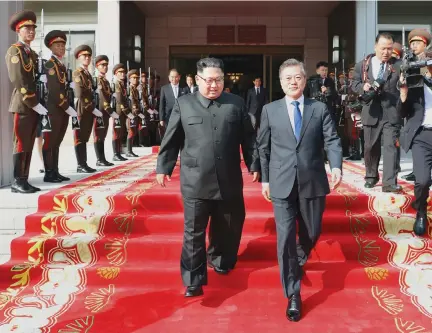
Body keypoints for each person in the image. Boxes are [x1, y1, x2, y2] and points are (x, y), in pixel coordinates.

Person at [156, 57, 260, 298]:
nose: (213, 85)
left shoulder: (236, 104)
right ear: (198, 79)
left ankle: (220, 259)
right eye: (209, 80)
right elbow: (170, 140)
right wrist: (164, 166)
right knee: (193, 231)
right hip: (195, 179)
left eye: (219, 80)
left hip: (228, 177)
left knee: (229, 225)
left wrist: (255, 163)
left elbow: (249, 138)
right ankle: (193, 279)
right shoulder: (184, 104)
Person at [257, 58, 342, 322]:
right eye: (288, 78)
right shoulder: (270, 110)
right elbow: (263, 147)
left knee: (312, 231)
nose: (293, 82)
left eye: (298, 77)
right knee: (285, 239)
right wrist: (265, 179)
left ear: (305, 80)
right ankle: (293, 293)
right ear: (280, 82)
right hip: (281, 182)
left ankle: (298, 260)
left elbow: (332, 138)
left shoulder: (319, 108)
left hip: (312, 179)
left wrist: (336, 166)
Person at [351, 32, 403, 193]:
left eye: (389, 48)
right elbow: (353, 83)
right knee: (370, 147)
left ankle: (389, 182)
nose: (386, 52)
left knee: (390, 147)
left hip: (391, 112)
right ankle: (371, 177)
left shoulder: (398, 65)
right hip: (371, 111)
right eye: (383, 48)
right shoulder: (363, 65)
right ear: (375, 47)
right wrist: (362, 88)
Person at [6, 10, 49, 193]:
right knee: (22, 142)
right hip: (24, 104)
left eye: (33, 28)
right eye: (27, 28)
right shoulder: (15, 50)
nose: (31, 31)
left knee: (30, 142)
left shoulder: (31, 52)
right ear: (18, 30)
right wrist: (33, 102)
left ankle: (24, 178)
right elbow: (18, 79)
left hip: (34, 105)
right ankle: (17, 180)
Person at [398, 50, 432, 237]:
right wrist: (403, 96)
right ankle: (420, 212)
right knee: (422, 180)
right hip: (422, 136)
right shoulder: (416, 83)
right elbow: (403, 113)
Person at [43, 30, 77, 182]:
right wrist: (66, 106)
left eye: (63, 45)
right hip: (54, 109)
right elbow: (54, 90)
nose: (61, 48)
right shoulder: (50, 64)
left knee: (57, 141)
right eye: (58, 45)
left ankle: (55, 171)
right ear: (51, 47)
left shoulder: (61, 65)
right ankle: (49, 172)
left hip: (61, 110)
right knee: (50, 141)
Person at [72, 44, 103, 173]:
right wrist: (91, 107)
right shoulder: (77, 73)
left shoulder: (88, 74)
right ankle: (80, 164)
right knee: (79, 137)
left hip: (89, 108)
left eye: (89, 56)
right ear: (78, 58)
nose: (87, 58)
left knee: (85, 136)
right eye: (84, 56)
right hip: (82, 108)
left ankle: (84, 163)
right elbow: (80, 94)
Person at [93, 55, 118, 166]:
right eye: (102, 65)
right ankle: (99, 159)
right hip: (100, 111)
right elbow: (102, 98)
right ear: (97, 66)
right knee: (98, 135)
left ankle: (102, 158)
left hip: (106, 113)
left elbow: (108, 96)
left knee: (103, 135)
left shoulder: (106, 81)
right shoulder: (97, 80)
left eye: (106, 65)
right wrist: (110, 110)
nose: (105, 67)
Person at [112, 63, 129, 161]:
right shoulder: (117, 84)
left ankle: (118, 152)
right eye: (120, 72)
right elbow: (119, 99)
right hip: (118, 112)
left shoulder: (122, 85)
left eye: (123, 72)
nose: (122, 74)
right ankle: (115, 153)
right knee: (116, 133)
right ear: (116, 73)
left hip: (122, 113)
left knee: (120, 132)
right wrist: (126, 111)